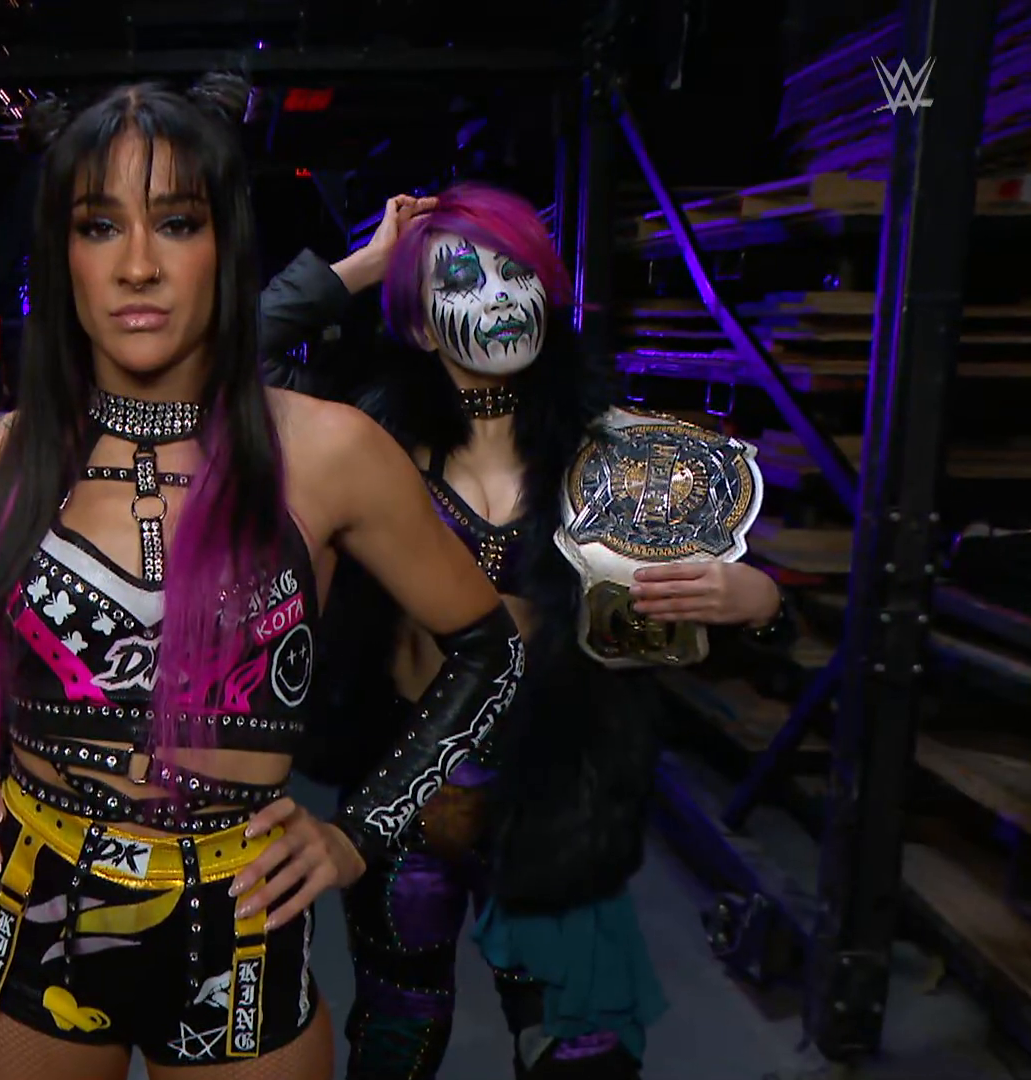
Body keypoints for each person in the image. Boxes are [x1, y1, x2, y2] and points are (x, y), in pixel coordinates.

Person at [0, 76, 527, 1079]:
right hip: (35, 907)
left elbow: (489, 649)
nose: (138, 264)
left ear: (225, 247)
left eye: (177, 222)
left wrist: (361, 833)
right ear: (61, 253)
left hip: (244, 917)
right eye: (100, 226)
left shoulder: (332, 454)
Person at [259, 181, 793, 1079]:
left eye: (517, 272)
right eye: (462, 279)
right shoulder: (364, 441)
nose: (499, 297)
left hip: (558, 796)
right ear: (418, 323)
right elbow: (224, 363)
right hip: (406, 792)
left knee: (580, 1048)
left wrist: (759, 602)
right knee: (396, 1035)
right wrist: (366, 266)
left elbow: (701, 621)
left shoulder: (620, 454)